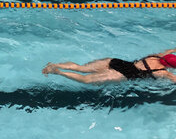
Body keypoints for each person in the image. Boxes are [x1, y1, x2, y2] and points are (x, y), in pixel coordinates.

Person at [42, 49, 176, 84]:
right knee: (86, 80)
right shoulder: (163, 72)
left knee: (81, 68)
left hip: (115, 62)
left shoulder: (156, 56)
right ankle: (58, 72)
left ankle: (55, 64)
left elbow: (170, 50)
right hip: (121, 74)